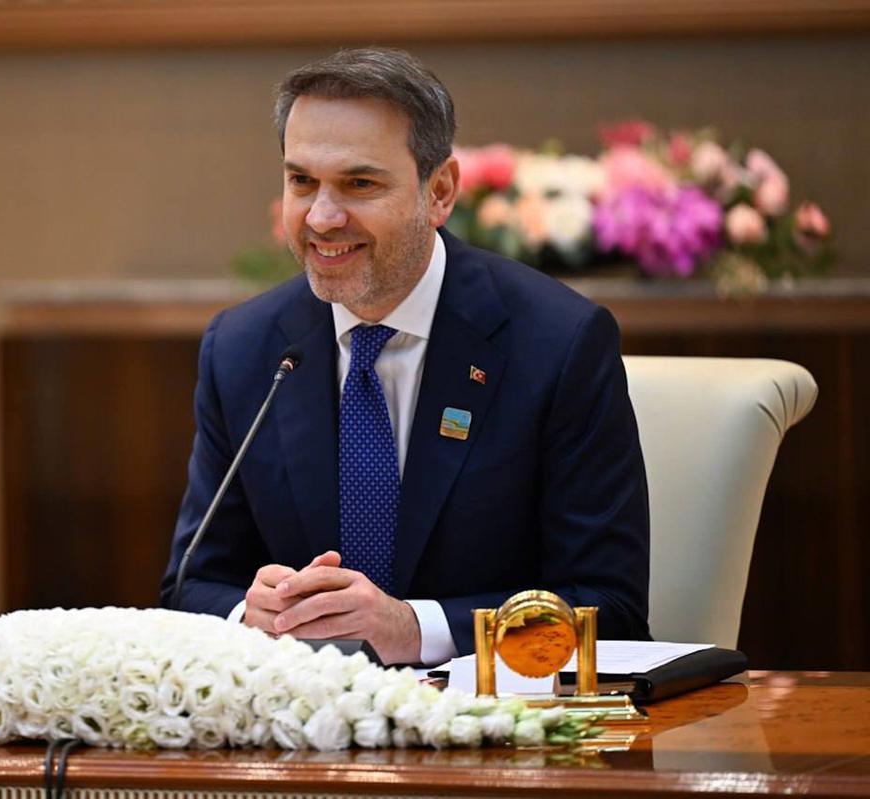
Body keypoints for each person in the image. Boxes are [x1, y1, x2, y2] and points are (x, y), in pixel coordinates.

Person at [160, 48, 650, 665]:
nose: (321, 218)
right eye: (302, 181)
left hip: (495, 717)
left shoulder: (559, 343)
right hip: (308, 715)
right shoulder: (243, 348)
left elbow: (611, 610)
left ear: (439, 191)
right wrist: (248, 615)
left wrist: (415, 629)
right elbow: (191, 585)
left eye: (359, 184)